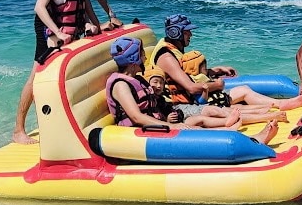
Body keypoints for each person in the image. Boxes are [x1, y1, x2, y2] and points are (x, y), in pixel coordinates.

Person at [107, 37, 279, 144]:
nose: (145, 57)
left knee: (195, 121)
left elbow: (153, 106)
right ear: (133, 58)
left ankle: (234, 133)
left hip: (158, 125)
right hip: (139, 135)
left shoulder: (135, 80)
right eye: (141, 54)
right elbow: (136, 116)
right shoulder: (121, 85)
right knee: (190, 129)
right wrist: (169, 126)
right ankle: (252, 139)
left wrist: (168, 119)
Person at [12, 0, 87, 144]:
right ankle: (18, 130)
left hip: (67, 36)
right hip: (51, 37)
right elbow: (39, 6)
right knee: (35, 78)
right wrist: (58, 32)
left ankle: (51, 125)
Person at [149, 14, 302, 111]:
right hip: (185, 103)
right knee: (243, 91)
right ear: (175, 33)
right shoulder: (166, 57)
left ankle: (277, 106)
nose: (190, 34)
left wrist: (215, 71)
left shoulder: (171, 49)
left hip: (193, 98)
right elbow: (190, 86)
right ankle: (280, 105)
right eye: (187, 31)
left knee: (238, 101)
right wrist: (217, 85)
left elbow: (186, 74)